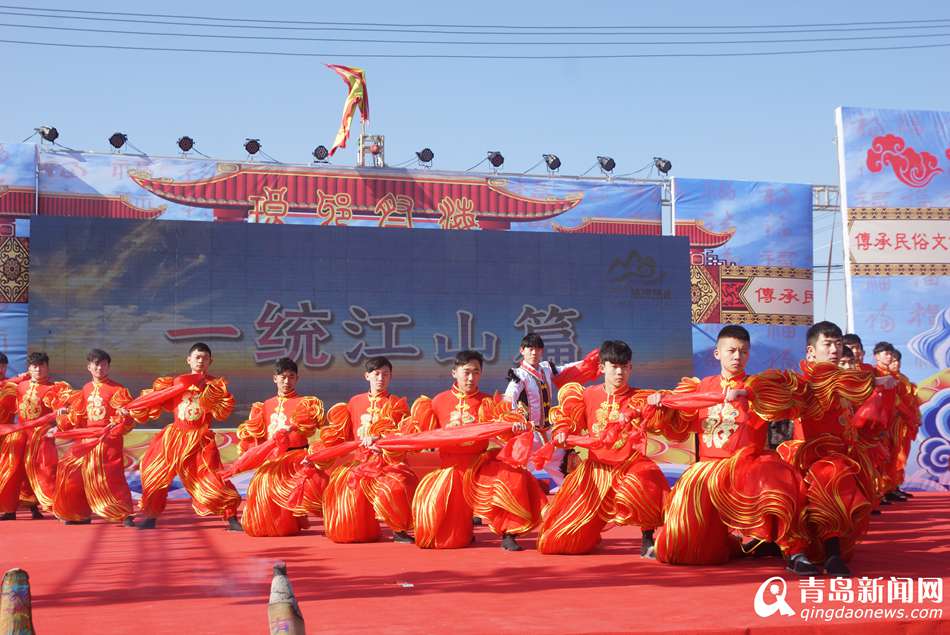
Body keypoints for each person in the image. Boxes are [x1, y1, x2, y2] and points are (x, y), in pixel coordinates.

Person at [646, 326, 820, 574]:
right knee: (689, 553)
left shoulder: (757, 385)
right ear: (717, 353)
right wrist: (660, 403)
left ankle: (795, 551)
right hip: (707, 470)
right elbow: (676, 419)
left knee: (779, 480)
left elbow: (789, 397)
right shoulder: (700, 387)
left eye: (743, 351)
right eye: (731, 351)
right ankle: (727, 543)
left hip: (746, 465)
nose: (737, 356)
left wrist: (747, 394)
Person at [778, 322, 893, 576]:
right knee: (811, 484)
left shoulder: (847, 382)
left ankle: (831, 554)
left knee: (837, 477)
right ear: (811, 351)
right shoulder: (802, 383)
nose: (834, 349)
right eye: (827, 344)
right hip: (805, 457)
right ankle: (795, 553)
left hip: (839, 457)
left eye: (838, 344)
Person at [535, 340, 669, 556]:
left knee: (647, 476)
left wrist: (659, 403)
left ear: (630, 368)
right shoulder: (588, 395)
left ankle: (647, 537)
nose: (620, 372)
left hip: (629, 466)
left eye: (624, 367)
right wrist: (562, 430)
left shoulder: (641, 397)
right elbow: (569, 420)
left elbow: (662, 419)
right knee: (557, 542)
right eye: (614, 366)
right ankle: (588, 531)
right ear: (602, 367)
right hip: (595, 471)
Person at [406, 350, 544, 550]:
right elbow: (419, 436)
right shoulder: (437, 402)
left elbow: (505, 435)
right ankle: (462, 527)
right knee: (443, 541)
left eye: (476, 372)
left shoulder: (488, 402)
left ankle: (508, 533)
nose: (471, 378)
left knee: (512, 475)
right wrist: (383, 441)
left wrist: (515, 427)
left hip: (479, 467)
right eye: (466, 372)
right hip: (450, 472)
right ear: (454, 372)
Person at [131, 343, 242, 530]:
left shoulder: (215, 386)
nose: (200, 361)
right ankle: (150, 517)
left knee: (213, 478)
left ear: (210, 361)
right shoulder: (177, 382)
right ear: (188, 360)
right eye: (197, 357)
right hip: (174, 437)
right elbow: (155, 400)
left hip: (200, 440)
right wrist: (130, 409)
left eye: (205, 358)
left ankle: (231, 518)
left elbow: (222, 413)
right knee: (155, 474)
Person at [320, 356, 416, 543]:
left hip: (387, 461)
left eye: (385, 374)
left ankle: (399, 530)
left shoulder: (397, 404)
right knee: (343, 485)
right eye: (376, 374)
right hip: (360, 462)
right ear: (367, 376)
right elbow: (344, 434)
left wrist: (381, 439)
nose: (381, 378)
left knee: (398, 485)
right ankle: (356, 530)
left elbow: (403, 435)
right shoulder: (355, 402)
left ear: (390, 377)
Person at [235, 357, 325, 537]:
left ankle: (289, 525)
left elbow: (315, 425)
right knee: (260, 486)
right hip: (272, 458)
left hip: (296, 458)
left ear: (297, 379)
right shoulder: (266, 405)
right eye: (283, 377)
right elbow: (259, 436)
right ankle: (270, 525)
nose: (287, 381)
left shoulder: (305, 402)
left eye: (291, 377)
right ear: (274, 378)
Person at [503, 334, 599, 490]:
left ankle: (578, 502)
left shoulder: (546, 368)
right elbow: (509, 398)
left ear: (542, 351)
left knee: (567, 466)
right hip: (529, 436)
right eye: (530, 348)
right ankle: (504, 507)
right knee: (515, 475)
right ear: (522, 350)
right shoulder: (518, 375)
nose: (534, 353)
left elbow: (569, 370)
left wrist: (590, 363)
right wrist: (515, 420)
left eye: (538, 349)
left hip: (548, 433)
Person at [52, 349, 136, 526]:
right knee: (71, 470)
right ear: (89, 367)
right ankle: (79, 514)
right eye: (96, 364)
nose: (100, 367)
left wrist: (124, 415)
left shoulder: (118, 389)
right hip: (87, 439)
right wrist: (64, 414)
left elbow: (126, 419)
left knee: (112, 477)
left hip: (108, 438)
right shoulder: (86, 389)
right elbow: (78, 417)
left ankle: (124, 514)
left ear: (108, 367)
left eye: (104, 364)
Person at [13, 352, 71, 517]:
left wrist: (60, 416)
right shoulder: (20, 387)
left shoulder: (55, 388)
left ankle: (56, 505)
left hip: (43, 436)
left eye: (41, 366)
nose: (38, 369)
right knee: (21, 471)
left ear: (47, 367)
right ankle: (30, 507)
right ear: (29, 368)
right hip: (22, 434)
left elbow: (64, 409)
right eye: (34, 366)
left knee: (47, 470)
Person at [0, 352, 47, 520]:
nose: (1, 369)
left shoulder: (14, 386)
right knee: (8, 472)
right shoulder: (14, 384)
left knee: (26, 470)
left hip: (11, 435)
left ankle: (32, 506)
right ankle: (8, 508)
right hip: (11, 434)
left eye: (3, 366)